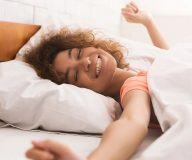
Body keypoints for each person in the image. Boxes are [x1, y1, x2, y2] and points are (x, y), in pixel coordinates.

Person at [25, 2, 168, 160]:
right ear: (83, 90)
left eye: (78, 53)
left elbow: (170, 56)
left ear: (90, 45)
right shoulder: (133, 86)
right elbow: (132, 122)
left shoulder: (141, 73)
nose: (84, 63)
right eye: (75, 75)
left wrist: (148, 22)